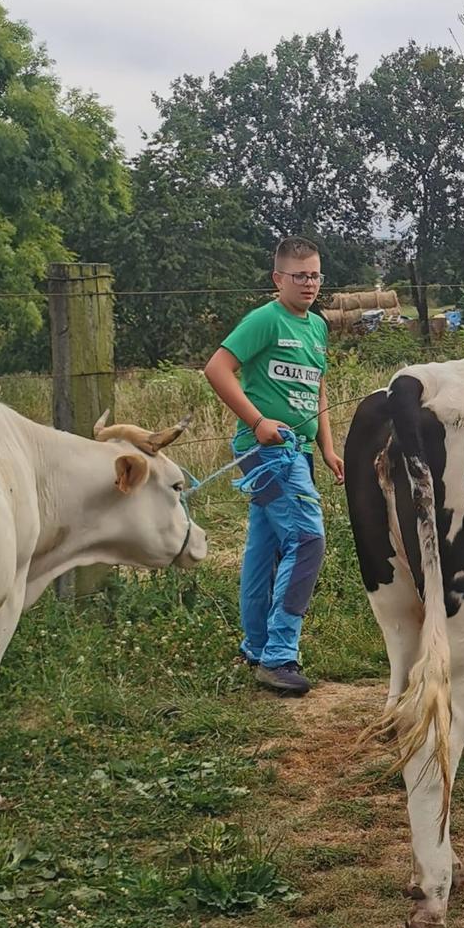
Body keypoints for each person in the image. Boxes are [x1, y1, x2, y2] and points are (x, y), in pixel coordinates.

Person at [204, 237, 344, 694]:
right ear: (278, 278)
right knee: (307, 539)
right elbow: (217, 369)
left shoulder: (318, 328)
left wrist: (327, 446)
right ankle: (279, 656)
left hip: (297, 451)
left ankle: (257, 645)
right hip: (265, 451)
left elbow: (317, 390)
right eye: (300, 275)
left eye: (315, 275)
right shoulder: (265, 320)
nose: (309, 283)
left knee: (264, 549)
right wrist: (258, 421)